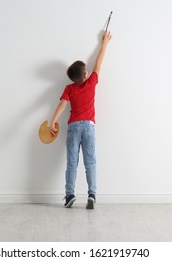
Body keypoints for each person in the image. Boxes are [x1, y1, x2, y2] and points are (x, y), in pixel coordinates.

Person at [49, 30, 112, 209]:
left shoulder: (69, 88)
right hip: (89, 128)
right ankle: (92, 194)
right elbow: (98, 63)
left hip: (73, 128)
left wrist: (52, 122)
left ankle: (69, 195)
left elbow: (61, 105)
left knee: (71, 162)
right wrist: (104, 44)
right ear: (85, 75)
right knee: (90, 162)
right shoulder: (91, 83)